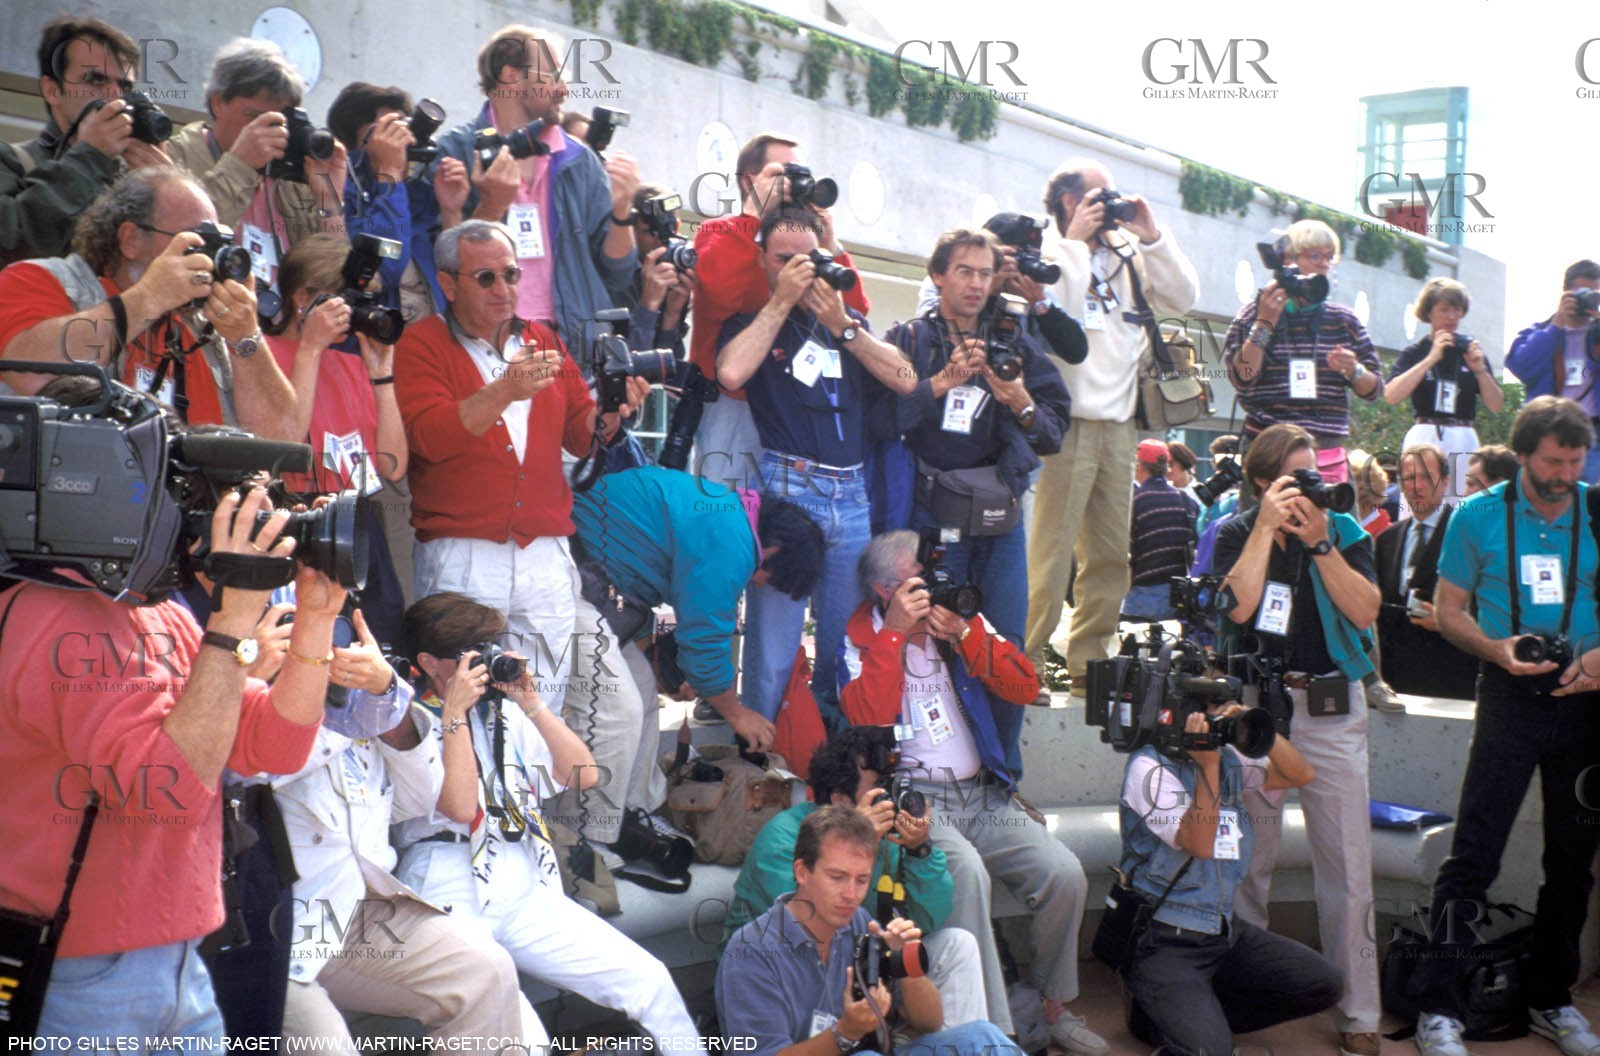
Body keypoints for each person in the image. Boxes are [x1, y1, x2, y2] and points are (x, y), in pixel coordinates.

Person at [0, 485, 345, 1041]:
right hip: (77, 975)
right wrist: (232, 622)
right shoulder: (56, 612)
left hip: (179, 963)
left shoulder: (154, 608)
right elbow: (166, 794)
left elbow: (276, 744)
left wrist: (318, 617)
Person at [393, 592, 703, 1052]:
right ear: (428, 662)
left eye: (490, 648)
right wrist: (455, 712)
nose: (485, 662)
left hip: (519, 873)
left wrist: (532, 702)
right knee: (522, 1037)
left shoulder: (502, 711)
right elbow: (458, 807)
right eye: (471, 654)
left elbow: (584, 773)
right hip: (447, 882)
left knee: (648, 979)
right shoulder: (409, 719)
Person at [839, 530, 1108, 1055]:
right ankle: (991, 1032)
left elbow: (1025, 686)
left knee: (1064, 875)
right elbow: (863, 718)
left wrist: (966, 634)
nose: (928, 591)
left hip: (983, 794)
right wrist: (894, 634)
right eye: (913, 583)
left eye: (929, 577)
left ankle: (1052, 1007)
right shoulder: (860, 638)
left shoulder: (958, 619)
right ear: (883, 590)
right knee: (965, 871)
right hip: (914, 797)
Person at [393, 219, 648, 717]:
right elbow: (428, 440)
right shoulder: (420, 343)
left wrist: (613, 410)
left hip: (543, 553)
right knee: (461, 703)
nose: (503, 289)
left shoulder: (543, 338)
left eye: (510, 275)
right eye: (485, 278)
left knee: (540, 706)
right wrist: (504, 390)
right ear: (447, 284)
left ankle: (529, 775)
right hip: (464, 550)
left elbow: (581, 434)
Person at [1409, 397, 1600, 1056]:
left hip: (1586, 703)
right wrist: (1496, 649)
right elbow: (1448, 610)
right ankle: (1440, 1007)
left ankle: (1551, 998)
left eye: (1576, 461)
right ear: (1521, 455)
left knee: (1573, 861)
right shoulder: (1477, 514)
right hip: (1508, 697)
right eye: (1552, 461)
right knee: (1474, 854)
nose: (1565, 474)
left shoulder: (1596, 508)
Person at [262, 603, 536, 1048]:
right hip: (282, 927)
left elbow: (420, 801)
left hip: (361, 909)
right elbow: (262, 767)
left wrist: (388, 703)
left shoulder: (365, 712)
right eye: (314, 650)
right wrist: (349, 709)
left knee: (486, 969)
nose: (335, 658)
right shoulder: (267, 715)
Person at [1214, 422, 1383, 1056]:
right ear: (1262, 482)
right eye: (1295, 478)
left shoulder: (1343, 530)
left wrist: (1320, 544)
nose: (1310, 489)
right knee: (1248, 861)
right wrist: (1265, 528)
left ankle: (1360, 1012)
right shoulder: (1235, 531)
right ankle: (1248, 996)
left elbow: (1365, 610)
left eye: (1317, 474)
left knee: (1347, 864)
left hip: (1332, 706)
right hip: (1259, 708)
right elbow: (1236, 608)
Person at [717, 206, 915, 728]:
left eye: (809, 259)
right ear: (762, 260)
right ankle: (762, 757)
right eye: (785, 260)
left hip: (851, 494)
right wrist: (782, 300)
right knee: (774, 646)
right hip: (788, 487)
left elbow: (906, 379)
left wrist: (843, 327)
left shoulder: (846, 325)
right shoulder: (751, 323)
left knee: (843, 639)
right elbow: (731, 371)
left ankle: (832, 753)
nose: (800, 270)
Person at [560, 466, 824, 851]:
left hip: (594, 578)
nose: (759, 583)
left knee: (642, 693)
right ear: (775, 552)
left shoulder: (729, 511)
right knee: (616, 711)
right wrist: (735, 713)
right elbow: (703, 641)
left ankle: (633, 813)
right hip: (564, 575)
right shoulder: (732, 539)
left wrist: (652, 654)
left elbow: (635, 565)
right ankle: (586, 843)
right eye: (771, 579)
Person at [884, 226, 1071, 771]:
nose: (975, 283)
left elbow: (1052, 432)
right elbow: (882, 419)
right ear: (937, 275)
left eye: (985, 274)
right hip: (933, 511)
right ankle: (939, 767)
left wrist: (1019, 399)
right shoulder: (910, 339)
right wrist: (942, 381)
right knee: (936, 639)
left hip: (1000, 514)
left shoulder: (1015, 342)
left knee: (1004, 642)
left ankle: (1002, 775)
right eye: (964, 271)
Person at [1027, 157, 1200, 697]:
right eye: (1099, 196)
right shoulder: (1047, 250)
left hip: (1121, 423)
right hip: (1065, 422)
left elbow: (1185, 297)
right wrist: (1075, 241)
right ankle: (1024, 663)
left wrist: (1152, 233)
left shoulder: (1130, 253)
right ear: (1069, 201)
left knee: (1108, 556)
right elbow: (1060, 309)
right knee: (1051, 555)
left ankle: (1090, 665)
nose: (1111, 205)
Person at [0, 165, 296, 439]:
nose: (206, 258)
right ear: (131, 239)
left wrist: (246, 338)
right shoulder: (41, 280)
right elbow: (32, 375)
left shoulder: (206, 328)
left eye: (216, 245)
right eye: (194, 241)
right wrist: (150, 298)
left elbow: (280, 437)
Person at [724, 728, 988, 1027]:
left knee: (957, 944)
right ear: (839, 799)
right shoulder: (783, 837)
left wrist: (920, 851)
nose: (889, 799)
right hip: (790, 970)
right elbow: (805, 925)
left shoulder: (888, 836)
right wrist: (855, 839)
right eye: (879, 790)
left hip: (865, 957)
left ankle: (953, 1044)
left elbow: (929, 920)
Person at [1119, 701, 1340, 1056]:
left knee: (1324, 983)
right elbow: (1199, 843)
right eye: (1206, 710)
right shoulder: (1149, 768)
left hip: (1222, 930)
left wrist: (1252, 725)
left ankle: (1195, 1021)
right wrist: (1207, 766)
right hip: (1165, 940)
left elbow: (1299, 774)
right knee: (1212, 1052)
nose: (1213, 719)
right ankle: (1162, 1018)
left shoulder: (1229, 761)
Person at [716, 806, 1020, 1056]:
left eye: (861, 880)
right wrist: (845, 1033)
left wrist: (906, 964)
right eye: (837, 877)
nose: (851, 894)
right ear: (802, 872)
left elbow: (929, 1022)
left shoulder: (858, 922)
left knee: (982, 1037)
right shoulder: (750, 951)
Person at [431, 23, 637, 347]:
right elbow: (444, 272)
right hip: (489, 346)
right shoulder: (454, 152)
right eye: (553, 75)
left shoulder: (580, 160)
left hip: (572, 349)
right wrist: (491, 204)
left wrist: (622, 212)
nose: (564, 90)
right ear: (511, 76)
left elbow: (619, 275)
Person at [690, 132, 872, 487]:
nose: (796, 183)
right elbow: (717, 295)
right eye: (783, 173)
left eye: (801, 174)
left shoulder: (806, 241)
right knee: (730, 505)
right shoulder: (720, 232)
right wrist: (753, 214)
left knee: (787, 517)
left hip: (795, 405)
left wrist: (830, 244)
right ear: (750, 180)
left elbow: (853, 314)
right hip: (735, 401)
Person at [265, 233, 409, 647]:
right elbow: (283, 448)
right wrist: (309, 348)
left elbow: (394, 466)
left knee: (379, 639)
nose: (350, 314)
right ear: (302, 297)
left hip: (357, 519)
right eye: (340, 302)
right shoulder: (265, 355)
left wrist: (382, 375)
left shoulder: (350, 363)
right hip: (299, 519)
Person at [165, 38, 348, 295]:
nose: (268, 131)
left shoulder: (292, 180)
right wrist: (240, 165)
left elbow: (330, 279)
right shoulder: (173, 159)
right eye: (254, 117)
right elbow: (181, 243)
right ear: (218, 104)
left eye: (278, 122)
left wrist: (330, 203)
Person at [1, 16, 168, 267]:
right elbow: (12, 243)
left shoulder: (132, 175)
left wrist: (165, 193)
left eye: (125, 86)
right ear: (52, 90)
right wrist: (89, 156)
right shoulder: (11, 162)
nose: (116, 97)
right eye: (96, 80)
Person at [1224, 219, 1383, 482]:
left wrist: (1354, 370)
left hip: (1327, 453)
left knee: (1336, 511)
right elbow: (1242, 378)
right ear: (1288, 259)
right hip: (1270, 451)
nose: (1324, 264)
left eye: (1330, 258)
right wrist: (1265, 323)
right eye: (1315, 256)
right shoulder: (1254, 313)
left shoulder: (1344, 320)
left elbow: (1374, 389)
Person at [327, 81, 455, 323]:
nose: (399, 142)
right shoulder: (338, 193)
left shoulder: (418, 193)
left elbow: (457, 279)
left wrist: (451, 211)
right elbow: (384, 268)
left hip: (431, 333)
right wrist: (389, 174)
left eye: (402, 127)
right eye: (386, 132)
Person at [1384, 278, 1502, 502]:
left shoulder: (1470, 351)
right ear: (1429, 312)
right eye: (1444, 310)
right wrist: (1430, 359)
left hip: (1463, 434)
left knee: (1464, 502)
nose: (1451, 317)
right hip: (1425, 432)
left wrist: (1480, 371)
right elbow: (1391, 395)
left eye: (1457, 310)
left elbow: (1496, 405)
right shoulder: (1415, 352)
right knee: (1419, 500)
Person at [1374, 444, 1477, 700]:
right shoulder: (1387, 540)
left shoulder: (1467, 534)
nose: (1417, 486)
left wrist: (1448, 622)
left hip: (1450, 685)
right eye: (1409, 478)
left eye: (1426, 478)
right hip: (1395, 684)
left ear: (1445, 482)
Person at [1506, 260, 1600, 481]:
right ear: (1566, 292)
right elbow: (1522, 367)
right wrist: (1556, 324)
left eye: (1595, 294)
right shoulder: (1541, 332)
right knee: (1546, 493)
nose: (1588, 299)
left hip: (1594, 434)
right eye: (1583, 293)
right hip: (1548, 432)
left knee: (1591, 498)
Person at [1123, 439, 1199, 622]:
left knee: (1136, 639)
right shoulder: (1187, 501)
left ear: (1140, 467)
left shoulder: (1134, 502)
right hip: (1180, 596)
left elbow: (1126, 551)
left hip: (1143, 594)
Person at [1167, 440, 1202, 510]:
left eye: (1170, 464)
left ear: (1183, 461)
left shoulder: (1201, 492)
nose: (1167, 469)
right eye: (1165, 465)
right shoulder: (1162, 491)